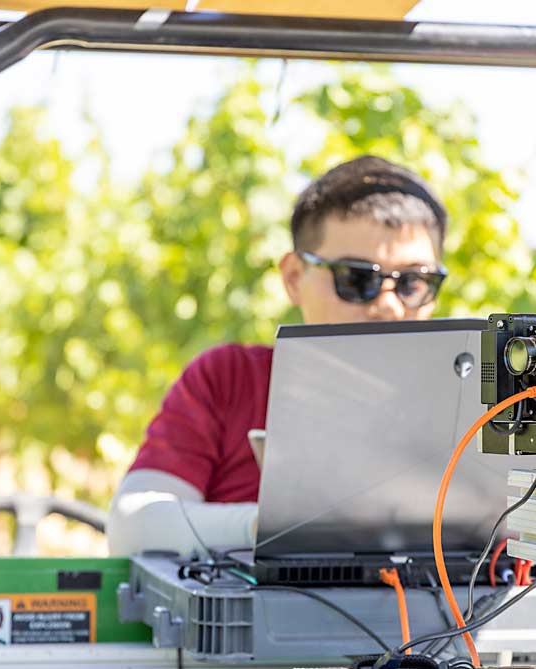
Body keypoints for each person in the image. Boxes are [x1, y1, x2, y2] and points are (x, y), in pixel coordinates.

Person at [107, 155, 450, 556]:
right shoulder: (229, 380)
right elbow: (135, 525)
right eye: (358, 279)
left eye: (413, 283)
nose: (389, 305)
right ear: (293, 278)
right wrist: (280, 529)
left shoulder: (468, 402)